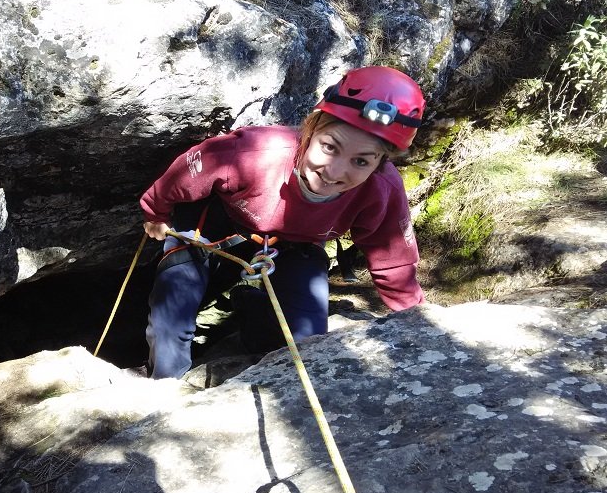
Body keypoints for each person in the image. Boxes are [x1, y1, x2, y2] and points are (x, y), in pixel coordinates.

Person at [139, 66, 427, 379]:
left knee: (308, 343)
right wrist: (156, 211)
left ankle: (252, 310)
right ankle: (166, 392)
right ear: (311, 129)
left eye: (361, 161)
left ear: (381, 163)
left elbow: (394, 259)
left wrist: (416, 319)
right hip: (215, 229)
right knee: (171, 323)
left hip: (295, 246)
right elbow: (190, 169)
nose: (335, 171)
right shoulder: (256, 153)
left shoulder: (381, 189)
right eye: (330, 147)